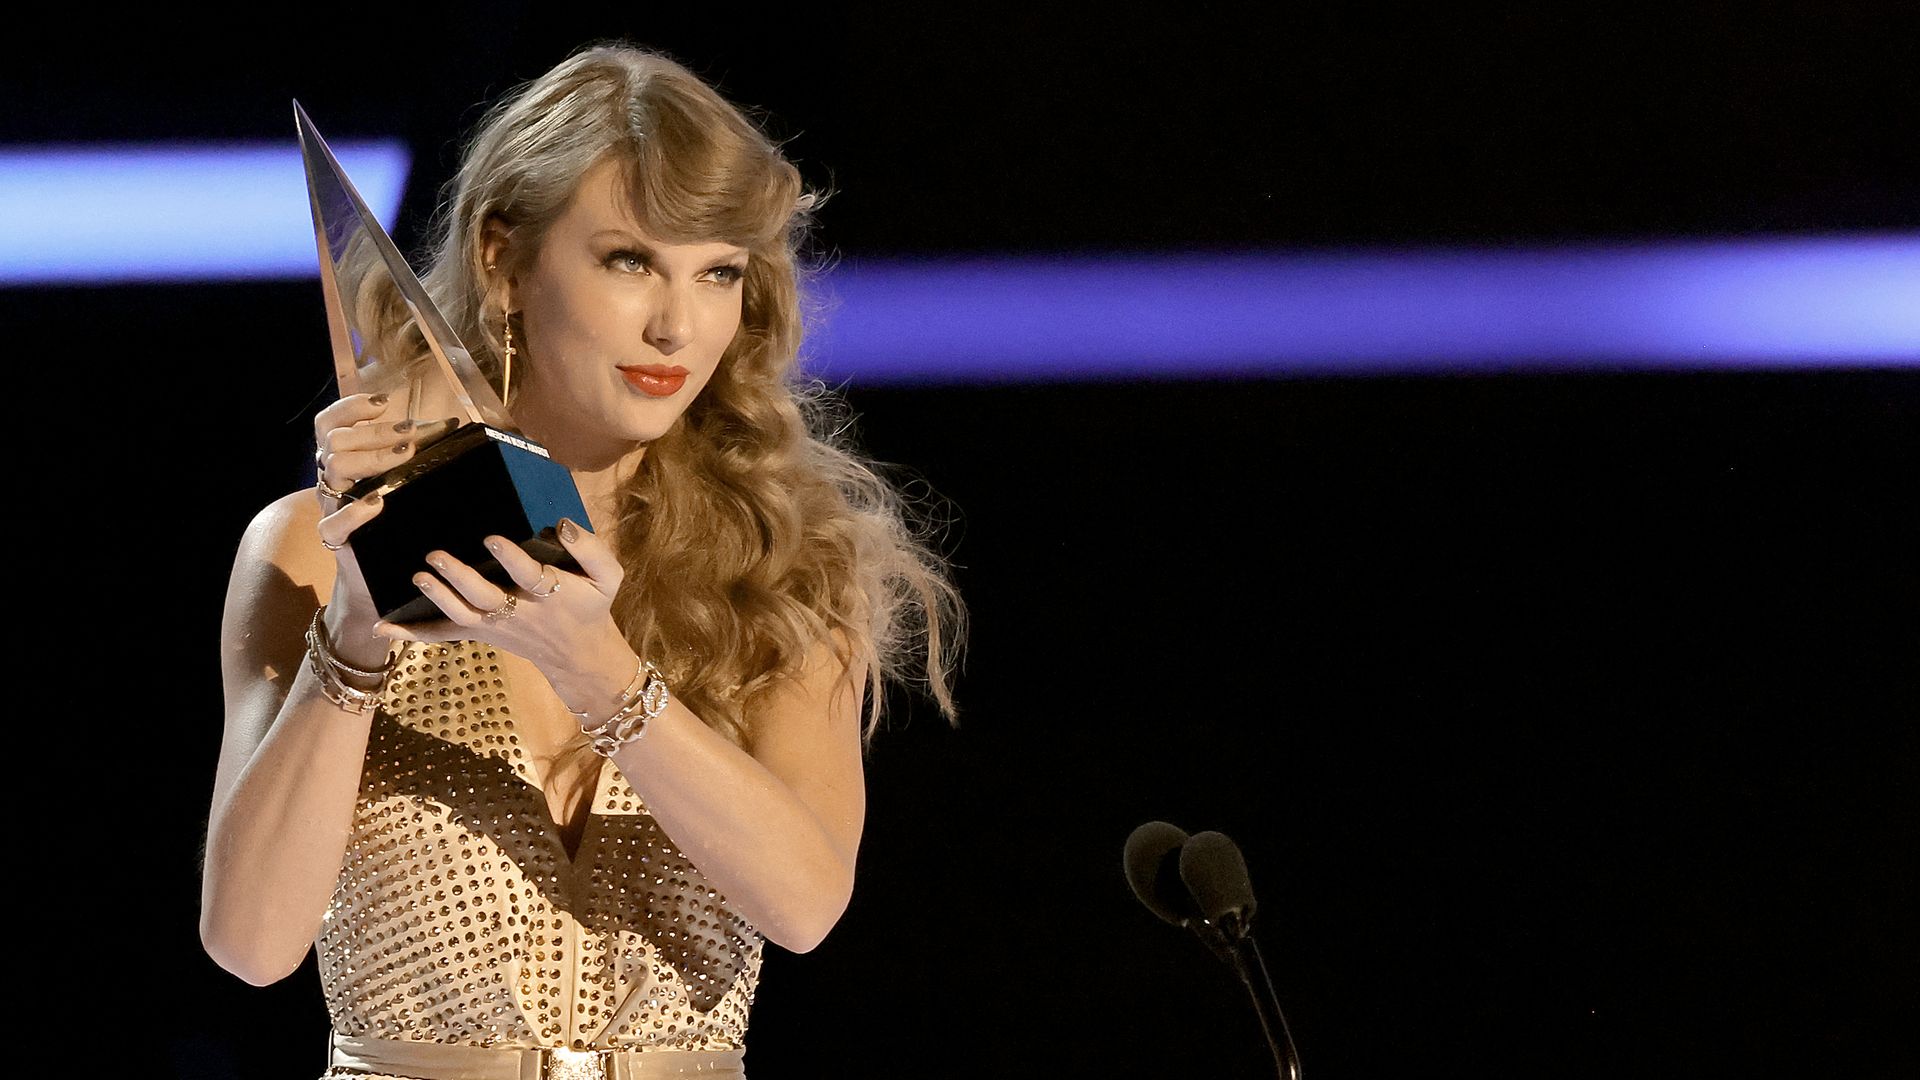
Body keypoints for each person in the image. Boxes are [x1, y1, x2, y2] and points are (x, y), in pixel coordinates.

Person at [201, 45, 961, 1079]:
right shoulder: (306, 545)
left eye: (718, 273)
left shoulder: (784, 565)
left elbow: (806, 905)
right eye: (630, 260)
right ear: (503, 263)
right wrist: (356, 637)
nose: (676, 324)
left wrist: (597, 668)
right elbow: (251, 945)